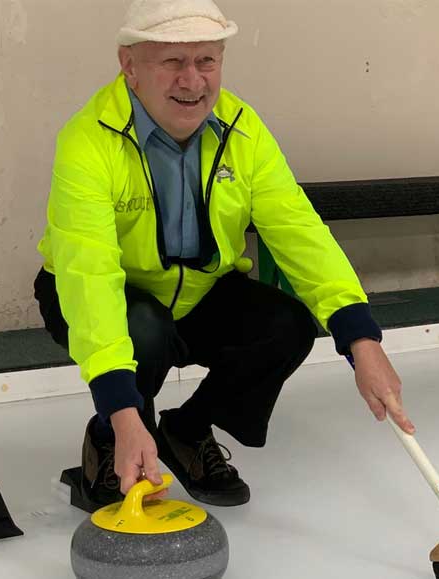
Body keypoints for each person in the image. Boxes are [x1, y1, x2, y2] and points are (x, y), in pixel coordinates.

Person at [33, 0, 415, 510]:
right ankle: (110, 440)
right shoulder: (87, 141)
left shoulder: (242, 129)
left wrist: (361, 338)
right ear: (129, 65)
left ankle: (186, 432)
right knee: (141, 330)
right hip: (102, 296)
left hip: (201, 290)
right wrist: (123, 411)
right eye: (172, 61)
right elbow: (90, 275)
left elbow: (298, 230)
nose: (192, 81)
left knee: (287, 326)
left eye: (206, 61)